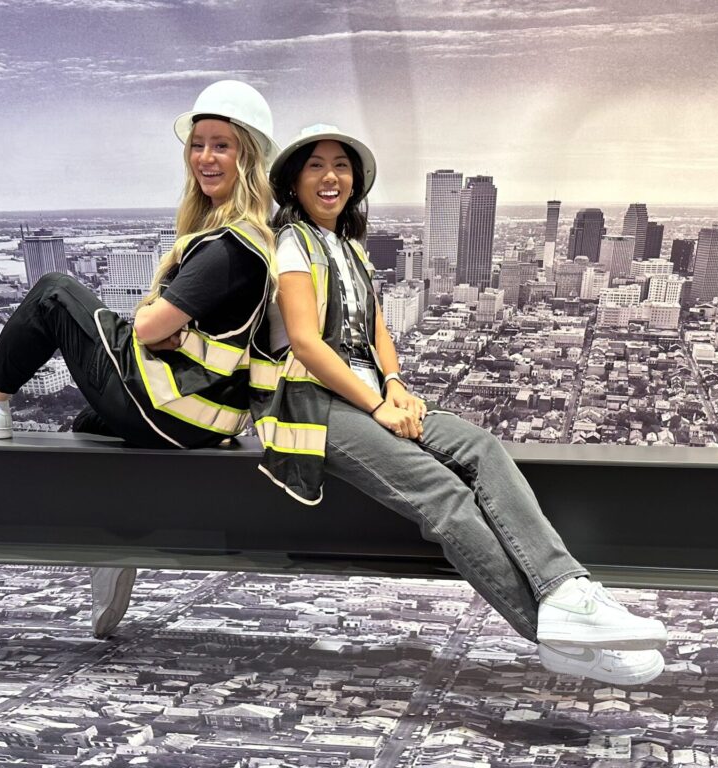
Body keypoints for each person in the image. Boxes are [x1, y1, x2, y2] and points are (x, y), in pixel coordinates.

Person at [250, 124, 668, 686]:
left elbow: (375, 330)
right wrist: (377, 406)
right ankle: (550, 633)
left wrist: (395, 382)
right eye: (316, 166)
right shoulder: (292, 243)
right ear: (294, 182)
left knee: (481, 446)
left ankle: (567, 590)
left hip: (368, 393)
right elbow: (305, 342)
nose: (331, 177)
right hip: (313, 405)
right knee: (442, 493)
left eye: (341, 165)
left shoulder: (348, 247)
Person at [0, 80, 279, 639]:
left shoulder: (229, 245)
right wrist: (178, 334)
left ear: (249, 157)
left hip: (165, 406)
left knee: (53, 292)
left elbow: (148, 326)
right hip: (202, 421)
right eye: (198, 144)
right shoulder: (258, 240)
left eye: (223, 145)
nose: (205, 158)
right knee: (90, 424)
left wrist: (161, 325)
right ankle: (113, 552)